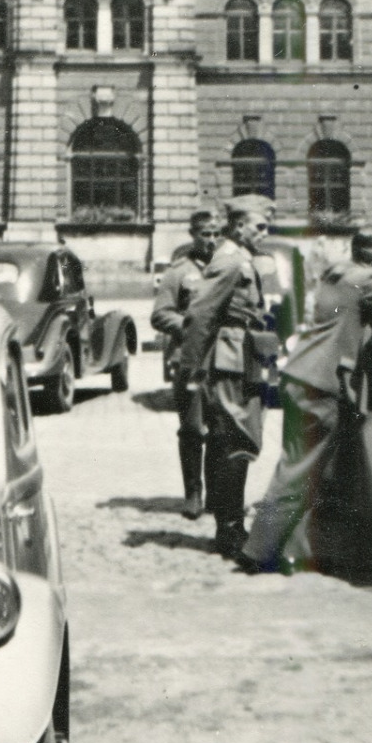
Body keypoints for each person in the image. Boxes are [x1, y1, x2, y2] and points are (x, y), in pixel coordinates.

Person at [240, 228, 372, 574]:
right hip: (320, 381)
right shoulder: (367, 278)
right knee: (300, 467)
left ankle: (299, 549)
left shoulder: (335, 274)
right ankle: (258, 551)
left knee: (315, 464)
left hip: (302, 372)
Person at [179, 200, 273, 559]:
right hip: (230, 358)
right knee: (236, 440)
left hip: (243, 355)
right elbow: (201, 312)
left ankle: (228, 526)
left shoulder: (242, 257)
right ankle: (231, 530)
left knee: (229, 440)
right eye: (259, 226)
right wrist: (191, 368)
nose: (264, 233)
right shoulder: (230, 259)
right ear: (237, 226)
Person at [151, 208, 218, 519]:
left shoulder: (225, 269)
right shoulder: (178, 273)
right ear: (193, 236)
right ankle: (193, 492)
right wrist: (188, 326)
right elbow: (160, 313)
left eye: (217, 234)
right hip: (189, 361)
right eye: (206, 234)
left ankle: (218, 494)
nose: (212, 240)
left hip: (221, 360)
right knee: (192, 429)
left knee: (220, 430)